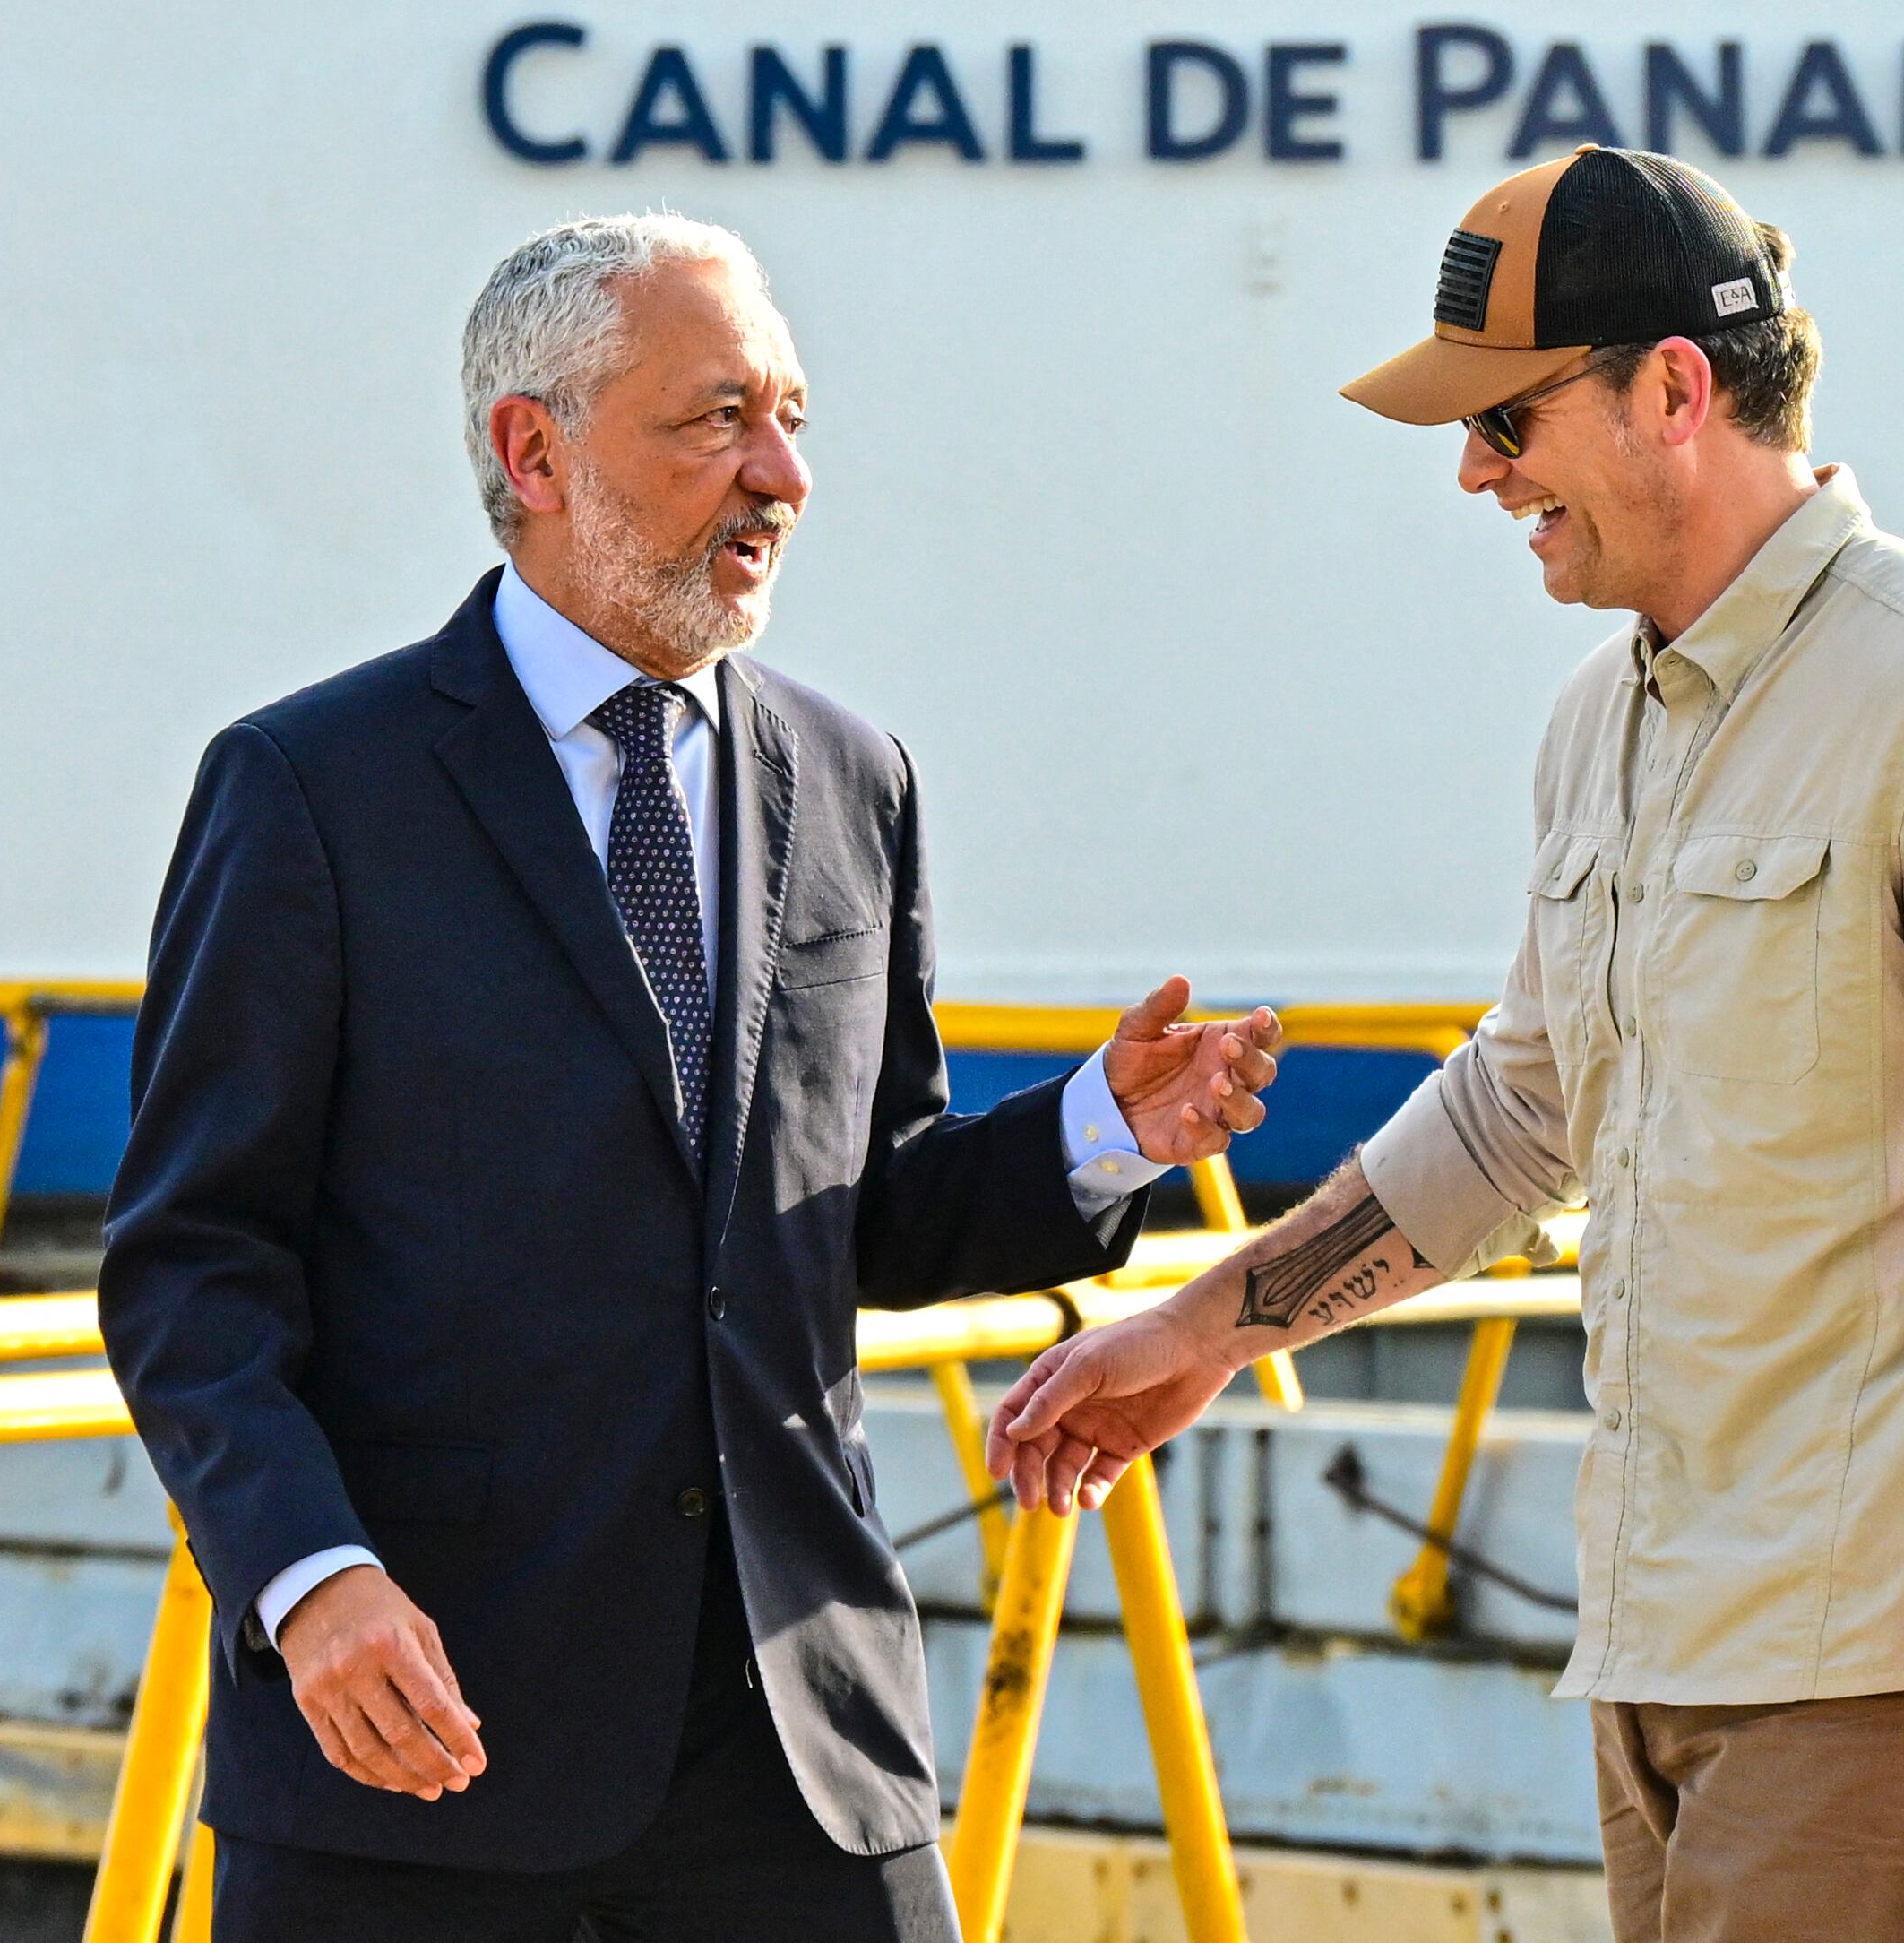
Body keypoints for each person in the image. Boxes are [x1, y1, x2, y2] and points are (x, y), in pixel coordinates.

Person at [986, 148, 1904, 1942]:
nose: (1476, 474)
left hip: (1866, 1668)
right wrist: (1206, 1326)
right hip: (1651, 1647)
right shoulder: (1602, 722)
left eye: (1505, 419)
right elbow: (1515, 1115)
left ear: (1671, 389)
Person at [99, 212, 1280, 1942]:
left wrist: (1104, 1133)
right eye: (717, 419)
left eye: (791, 414)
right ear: (534, 448)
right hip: (418, 1754)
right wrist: (309, 1580)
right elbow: (192, 1261)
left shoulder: (851, 775)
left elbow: (850, 1209)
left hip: (801, 1756)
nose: (782, 473)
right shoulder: (310, 791)